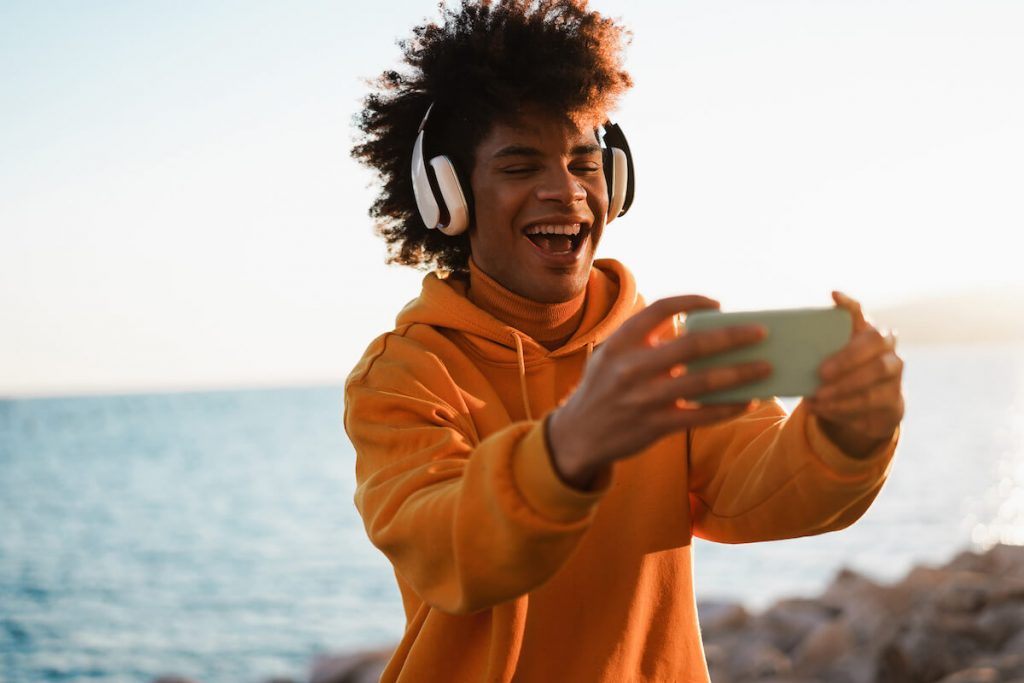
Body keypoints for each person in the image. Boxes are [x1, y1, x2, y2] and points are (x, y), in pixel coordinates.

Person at [344, 1, 903, 681]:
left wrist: (849, 432)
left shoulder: (660, 345)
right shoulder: (402, 375)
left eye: (584, 164)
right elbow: (448, 552)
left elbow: (766, 489)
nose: (567, 192)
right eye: (521, 167)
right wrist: (569, 446)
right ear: (447, 198)